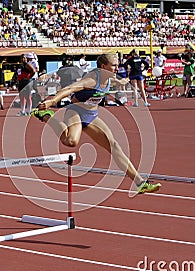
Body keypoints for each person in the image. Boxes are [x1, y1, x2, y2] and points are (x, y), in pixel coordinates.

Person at [31, 53, 161, 194]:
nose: (117, 68)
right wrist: (51, 101)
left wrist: (126, 80)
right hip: (76, 111)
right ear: (103, 66)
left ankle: (140, 183)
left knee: (114, 146)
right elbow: (69, 89)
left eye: (118, 64)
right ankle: (47, 117)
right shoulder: (92, 79)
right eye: (114, 65)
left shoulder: (111, 77)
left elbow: (119, 81)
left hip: (92, 115)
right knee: (71, 141)